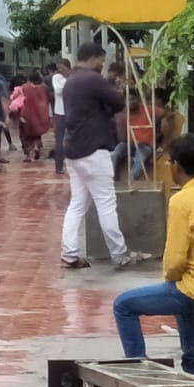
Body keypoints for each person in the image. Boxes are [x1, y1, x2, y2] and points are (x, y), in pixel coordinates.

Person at [112, 134, 194, 375]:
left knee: (124, 305)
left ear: (177, 167)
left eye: (170, 162)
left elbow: (174, 261)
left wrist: (172, 276)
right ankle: (192, 362)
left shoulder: (181, 200)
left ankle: (138, 368)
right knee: (180, 285)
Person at [60, 42, 152, 269]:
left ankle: (69, 254)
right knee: (106, 202)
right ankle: (120, 255)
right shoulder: (92, 79)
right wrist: (117, 88)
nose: (102, 65)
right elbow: (119, 102)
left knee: (77, 204)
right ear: (92, 58)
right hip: (94, 150)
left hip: (74, 150)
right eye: (101, 60)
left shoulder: (71, 80)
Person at [112, 94, 164, 181]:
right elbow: (120, 136)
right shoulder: (123, 113)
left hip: (145, 144)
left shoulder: (148, 109)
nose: (130, 102)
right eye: (128, 100)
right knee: (114, 154)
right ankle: (113, 181)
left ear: (138, 99)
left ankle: (131, 182)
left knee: (139, 159)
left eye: (133, 99)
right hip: (128, 143)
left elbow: (167, 114)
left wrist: (164, 120)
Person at [19, 72, 51, 161]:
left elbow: (19, 100)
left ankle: (28, 155)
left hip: (26, 114)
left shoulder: (24, 87)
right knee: (37, 134)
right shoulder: (44, 88)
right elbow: (49, 98)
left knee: (25, 135)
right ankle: (36, 146)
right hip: (39, 114)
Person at [52, 59, 71, 173]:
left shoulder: (72, 77)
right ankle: (58, 166)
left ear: (68, 67)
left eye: (62, 67)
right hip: (60, 112)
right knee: (59, 140)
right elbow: (59, 91)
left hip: (71, 112)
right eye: (59, 68)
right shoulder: (57, 78)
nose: (60, 70)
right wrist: (68, 82)